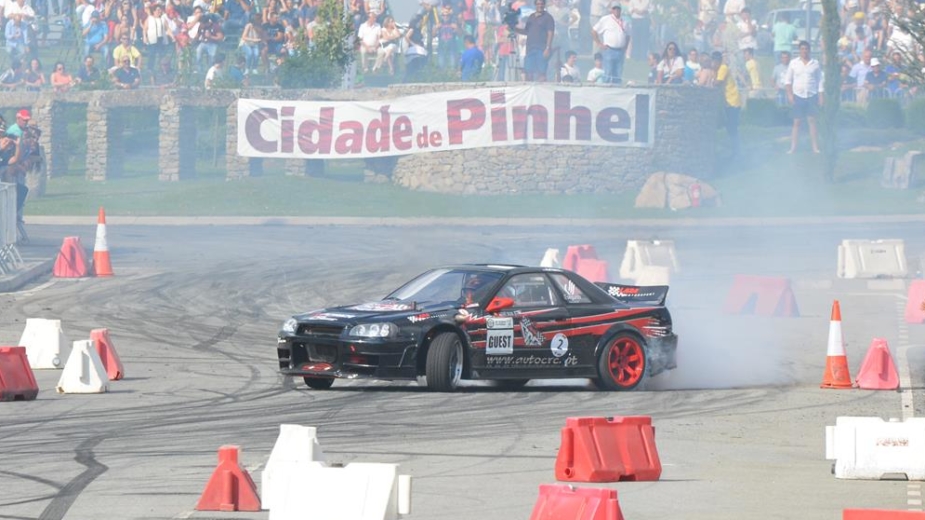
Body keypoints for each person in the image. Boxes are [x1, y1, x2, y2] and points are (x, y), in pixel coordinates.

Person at [784, 40, 822, 154]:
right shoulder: (793, 63)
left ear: (809, 50)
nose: (804, 51)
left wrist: (821, 96)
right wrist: (790, 95)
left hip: (811, 95)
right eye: (802, 49)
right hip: (798, 96)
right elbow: (788, 81)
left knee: (812, 121)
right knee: (797, 122)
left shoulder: (815, 63)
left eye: (806, 49)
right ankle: (793, 148)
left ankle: (815, 148)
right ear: (799, 50)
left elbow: (820, 81)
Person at [514, 0, 555, 81]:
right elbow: (527, 31)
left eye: (542, 4)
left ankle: (542, 92)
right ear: (535, 5)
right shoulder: (531, 17)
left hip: (541, 48)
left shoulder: (548, 17)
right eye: (538, 4)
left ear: (544, 5)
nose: (540, 5)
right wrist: (515, 29)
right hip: (530, 49)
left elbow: (550, 33)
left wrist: (548, 47)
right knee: (528, 72)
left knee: (541, 73)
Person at [591, 1, 629, 84]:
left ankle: (617, 91)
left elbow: (628, 35)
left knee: (618, 73)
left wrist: (625, 47)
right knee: (608, 72)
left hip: (620, 51)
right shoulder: (606, 19)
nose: (616, 10)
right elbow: (594, 31)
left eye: (618, 8)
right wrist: (599, 44)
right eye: (614, 8)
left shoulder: (625, 21)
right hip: (609, 50)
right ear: (611, 10)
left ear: (620, 10)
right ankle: (605, 92)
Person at [713, 50, 740, 158]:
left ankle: (736, 151)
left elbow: (717, 83)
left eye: (714, 61)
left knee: (732, 126)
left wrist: (714, 72)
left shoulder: (723, 68)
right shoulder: (720, 68)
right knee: (729, 126)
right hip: (728, 101)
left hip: (732, 101)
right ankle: (735, 149)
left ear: (717, 61)